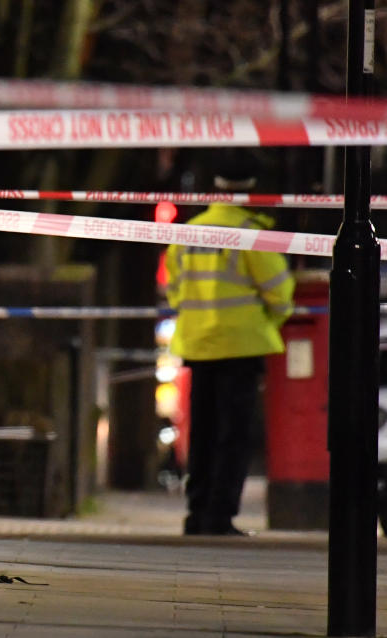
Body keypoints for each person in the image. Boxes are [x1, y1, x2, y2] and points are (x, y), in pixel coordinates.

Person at [164, 157, 294, 536]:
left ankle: (197, 511)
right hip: (241, 346)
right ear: (251, 191)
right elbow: (280, 293)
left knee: (202, 432)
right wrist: (269, 323)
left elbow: (174, 290)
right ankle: (220, 516)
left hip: (198, 344)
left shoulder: (189, 232)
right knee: (232, 434)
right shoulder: (252, 234)